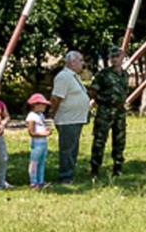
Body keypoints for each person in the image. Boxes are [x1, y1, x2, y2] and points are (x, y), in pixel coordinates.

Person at [89, 46, 129, 181]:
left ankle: (117, 168)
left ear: (122, 58)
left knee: (119, 140)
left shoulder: (125, 75)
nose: (115, 59)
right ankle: (95, 169)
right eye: (112, 57)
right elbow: (93, 91)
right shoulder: (103, 74)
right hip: (105, 112)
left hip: (120, 112)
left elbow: (124, 91)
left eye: (117, 56)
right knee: (99, 140)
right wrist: (102, 100)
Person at [50, 51, 90, 185]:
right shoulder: (64, 77)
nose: (83, 63)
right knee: (67, 149)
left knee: (72, 148)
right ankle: (65, 177)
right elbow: (56, 98)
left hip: (75, 119)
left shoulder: (73, 76)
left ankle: (69, 173)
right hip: (67, 119)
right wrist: (52, 113)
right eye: (80, 60)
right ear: (72, 62)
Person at [25, 93, 51, 189]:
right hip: (37, 143)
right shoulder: (32, 116)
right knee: (34, 163)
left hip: (43, 142)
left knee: (42, 162)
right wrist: (44, 134)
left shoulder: (40, 115)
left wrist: (46, 130)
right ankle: (33, 182)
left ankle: (41, 181)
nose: (45, 106)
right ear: (35, 105)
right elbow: (31, 132)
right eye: (42, 104)